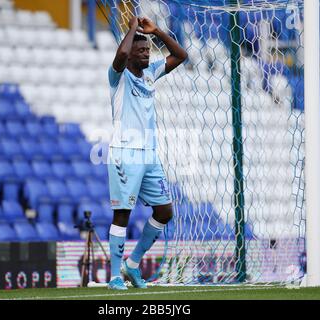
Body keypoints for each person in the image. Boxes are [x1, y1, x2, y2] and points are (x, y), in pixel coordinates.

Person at [106, 16, 187, 290]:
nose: (145, 53)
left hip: (149, 155)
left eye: (147, 51)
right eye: (141, 51)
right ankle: (115, 275)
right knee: (123, 214)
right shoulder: (117, 77)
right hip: (124, 153)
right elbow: (121, 54)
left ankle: (132, 264)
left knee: (164, 211)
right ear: (130, 56)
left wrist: (156, 31)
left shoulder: (151, 73)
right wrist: (131, 30)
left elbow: (181, 55)